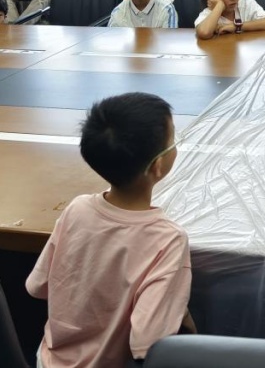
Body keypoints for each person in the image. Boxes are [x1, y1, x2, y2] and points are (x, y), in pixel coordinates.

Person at [26, 92, 194, 367]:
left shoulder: (77, 209)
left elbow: (38, 285)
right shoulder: (168, 239)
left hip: (47, 360)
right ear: (158, 165)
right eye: (173, 139)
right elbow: (148, 342)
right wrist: (183, 313)